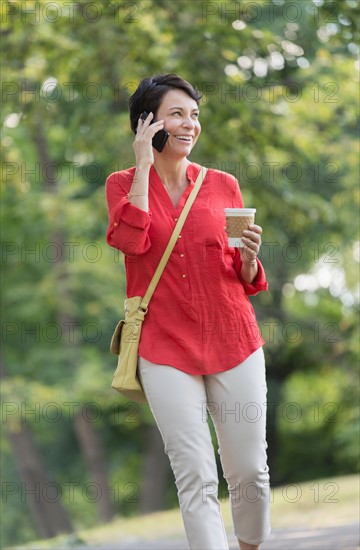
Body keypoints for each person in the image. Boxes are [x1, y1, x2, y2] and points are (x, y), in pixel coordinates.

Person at [105, 73, 271, 550]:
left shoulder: (223, 186)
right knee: (195, 474)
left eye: (193, 115)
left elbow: (243, 275)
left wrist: (249, 258)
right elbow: (132, 241)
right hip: (165, 348)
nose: (189, 124)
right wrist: (142, 164)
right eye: (176, 113)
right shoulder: (121, 185)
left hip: (234, 341)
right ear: (147, 123)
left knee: (249, 472)